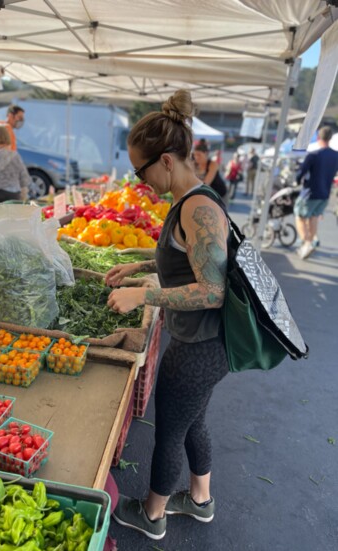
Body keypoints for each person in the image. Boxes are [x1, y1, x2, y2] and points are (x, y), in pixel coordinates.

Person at [104, 89, 229, 541]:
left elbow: (212, 291)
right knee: (192, 420)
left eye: (141, 169)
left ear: (167, 161)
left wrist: (144, 296)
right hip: (203, 344)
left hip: (200, 347)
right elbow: (185, 262)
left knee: (170, 431)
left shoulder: (197, 207)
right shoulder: (191, 200)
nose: (140, 180)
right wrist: (140, 265)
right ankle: (200, 500)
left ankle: (152, 514)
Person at [294, 126, 338, 260]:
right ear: (330, 138)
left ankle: (306, 243)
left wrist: (297, 181)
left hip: (310, 192)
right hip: (325, 193)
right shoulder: (336, 156)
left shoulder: (313, 155)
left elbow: (300, 174)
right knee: (313, 217)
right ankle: (311, 242)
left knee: (299, 215)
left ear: (319, 137)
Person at [192, 140, 229, 205]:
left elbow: (206, 184)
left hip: (220, 195)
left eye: (199, 155)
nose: (196, 157)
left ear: (206, 153)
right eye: (194, 155)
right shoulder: (194, 164)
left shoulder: (212, 164)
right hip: (208, 196)